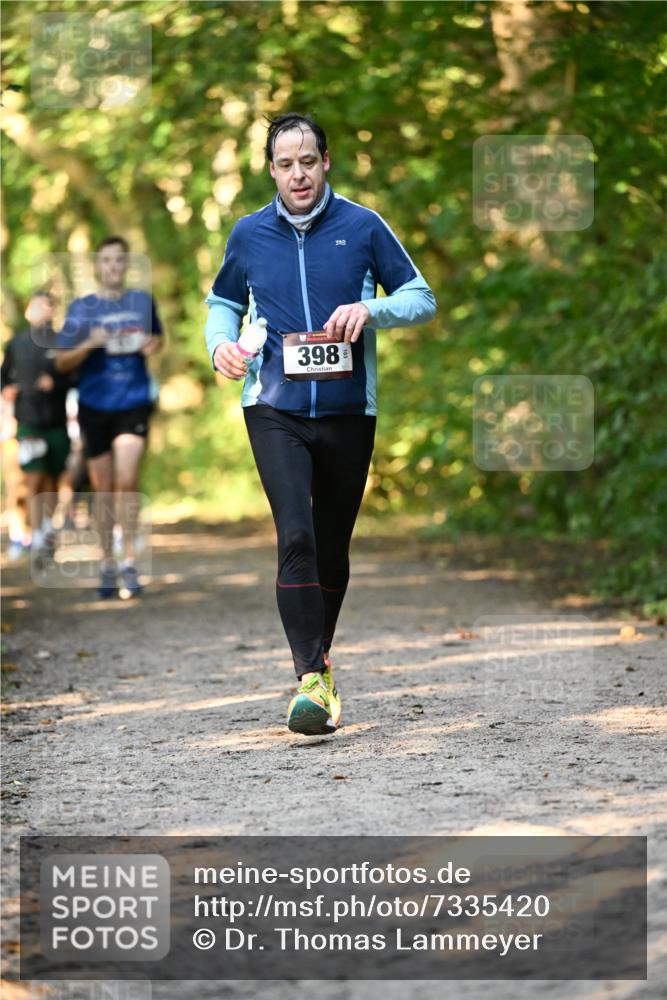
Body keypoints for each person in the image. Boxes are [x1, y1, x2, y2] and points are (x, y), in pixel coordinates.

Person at [205, 113, 436, 736]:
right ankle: (309, 678)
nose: (298, 173)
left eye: (308, 161)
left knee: (333, 545)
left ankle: (321, 663)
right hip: (273, 407)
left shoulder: (362, 225)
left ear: (325, 161)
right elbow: (223, 303)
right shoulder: (250, 234)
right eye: (285, 164)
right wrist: (221, 346)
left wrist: (371, 308)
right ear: (271, 170)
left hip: (346, 412)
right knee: (297, 534)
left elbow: (422, 296)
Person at [55, 236, 162, 599]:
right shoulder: (81, 309)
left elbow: (156, 339)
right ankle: (106, 564)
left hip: (133, 402)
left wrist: (150, 344)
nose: (113, 267)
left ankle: (129, 561)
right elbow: (61, 361)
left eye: (119, 261)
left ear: (126, 266)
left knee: (127, 481)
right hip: (95, 405)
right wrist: (90, 342)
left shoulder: (141, 302)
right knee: (103, 489)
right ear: (98, 267)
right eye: (107, 261)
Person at [1, 291, 72, 563]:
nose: (41, 311)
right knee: (32, 478)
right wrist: (7, 390)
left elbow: (75, 377)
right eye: (36, 306)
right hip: (27, 422)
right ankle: (36, 536)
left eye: (47, 307)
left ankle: (45, 530)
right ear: (28, 311)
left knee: (52, 481)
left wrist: (57, 384)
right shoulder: (16, 343)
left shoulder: (62, 342)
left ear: (53, 311)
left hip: (56, 421)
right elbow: (3, 376)